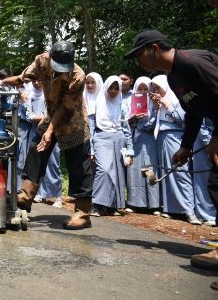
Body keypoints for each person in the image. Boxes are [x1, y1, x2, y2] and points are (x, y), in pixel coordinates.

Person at [123, 25, 218, 272]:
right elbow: (194, 113)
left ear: (154, 49)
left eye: (139, 54)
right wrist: (186, 146)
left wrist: (216, 137)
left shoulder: (191, 63)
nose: (137, 60)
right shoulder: (174, 77)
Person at [2, 41, 94, 230]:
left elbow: (65, 107)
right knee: (36, 150)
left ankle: (83, 214)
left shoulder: (78, 76)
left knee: (78, 165)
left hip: (73, 121)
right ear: (50, 57)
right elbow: (22, 79)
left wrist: (50, 131)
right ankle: (26, 197)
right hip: (51, 116)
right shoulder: (41, 61)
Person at [150, 75, 197, 223]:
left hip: (175, 137)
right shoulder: (159, 102)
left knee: (180, 172)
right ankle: (172, 209)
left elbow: (182, 119)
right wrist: (157, 107)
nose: (156, 91)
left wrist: (168, 106)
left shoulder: (177, 99)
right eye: (155, 88)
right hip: (162, 137)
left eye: (158, 87)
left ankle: (189, 210)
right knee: (166, 172)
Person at [90, 76, 133, 217]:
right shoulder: (97, 102)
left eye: (116, 88)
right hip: (101, 137)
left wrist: (130, 150)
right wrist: (90, 148)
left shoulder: (121, 104)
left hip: (118, 138)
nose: (113, 91)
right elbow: (90, 127)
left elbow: (126, 128)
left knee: (117, 173)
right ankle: (95, 204)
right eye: (111, 88)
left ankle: (111, 206)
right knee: (104, 170)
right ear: (106, 87)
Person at [126, 77, 160, 214]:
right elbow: (124, 122)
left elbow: (154, 123)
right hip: (135, 138)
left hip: (150, 139)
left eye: (146, 89)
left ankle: (154, 203)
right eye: (140, 89)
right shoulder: (129, 102)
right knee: (135, 170)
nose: (143, 91)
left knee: (150, 169)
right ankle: (135, 203)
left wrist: (154, 110)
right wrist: (133, 120)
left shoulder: (154, 103)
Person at [29, 79, 62, 208]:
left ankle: (57, 196)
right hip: (36, 131)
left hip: (51, 132)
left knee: (53, 163)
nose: (37, 83)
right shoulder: (30, 95)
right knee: (39, 163)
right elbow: (28, 114)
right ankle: (41, 193)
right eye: (33, 81)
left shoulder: (51, 95)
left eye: (39, 80)